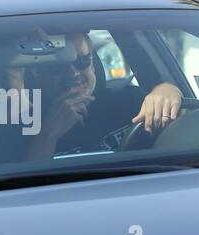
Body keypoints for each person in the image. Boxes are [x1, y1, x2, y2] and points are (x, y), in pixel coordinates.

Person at [25, 32, 183, 160]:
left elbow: (183, 131)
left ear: (92, 63)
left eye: (82, 61)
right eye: (57, 67)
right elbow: (24, 189)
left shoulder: (129, 101)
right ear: (37, 73)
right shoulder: (24, 124)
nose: (73, 73)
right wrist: (48, 134)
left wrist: (167, 90)